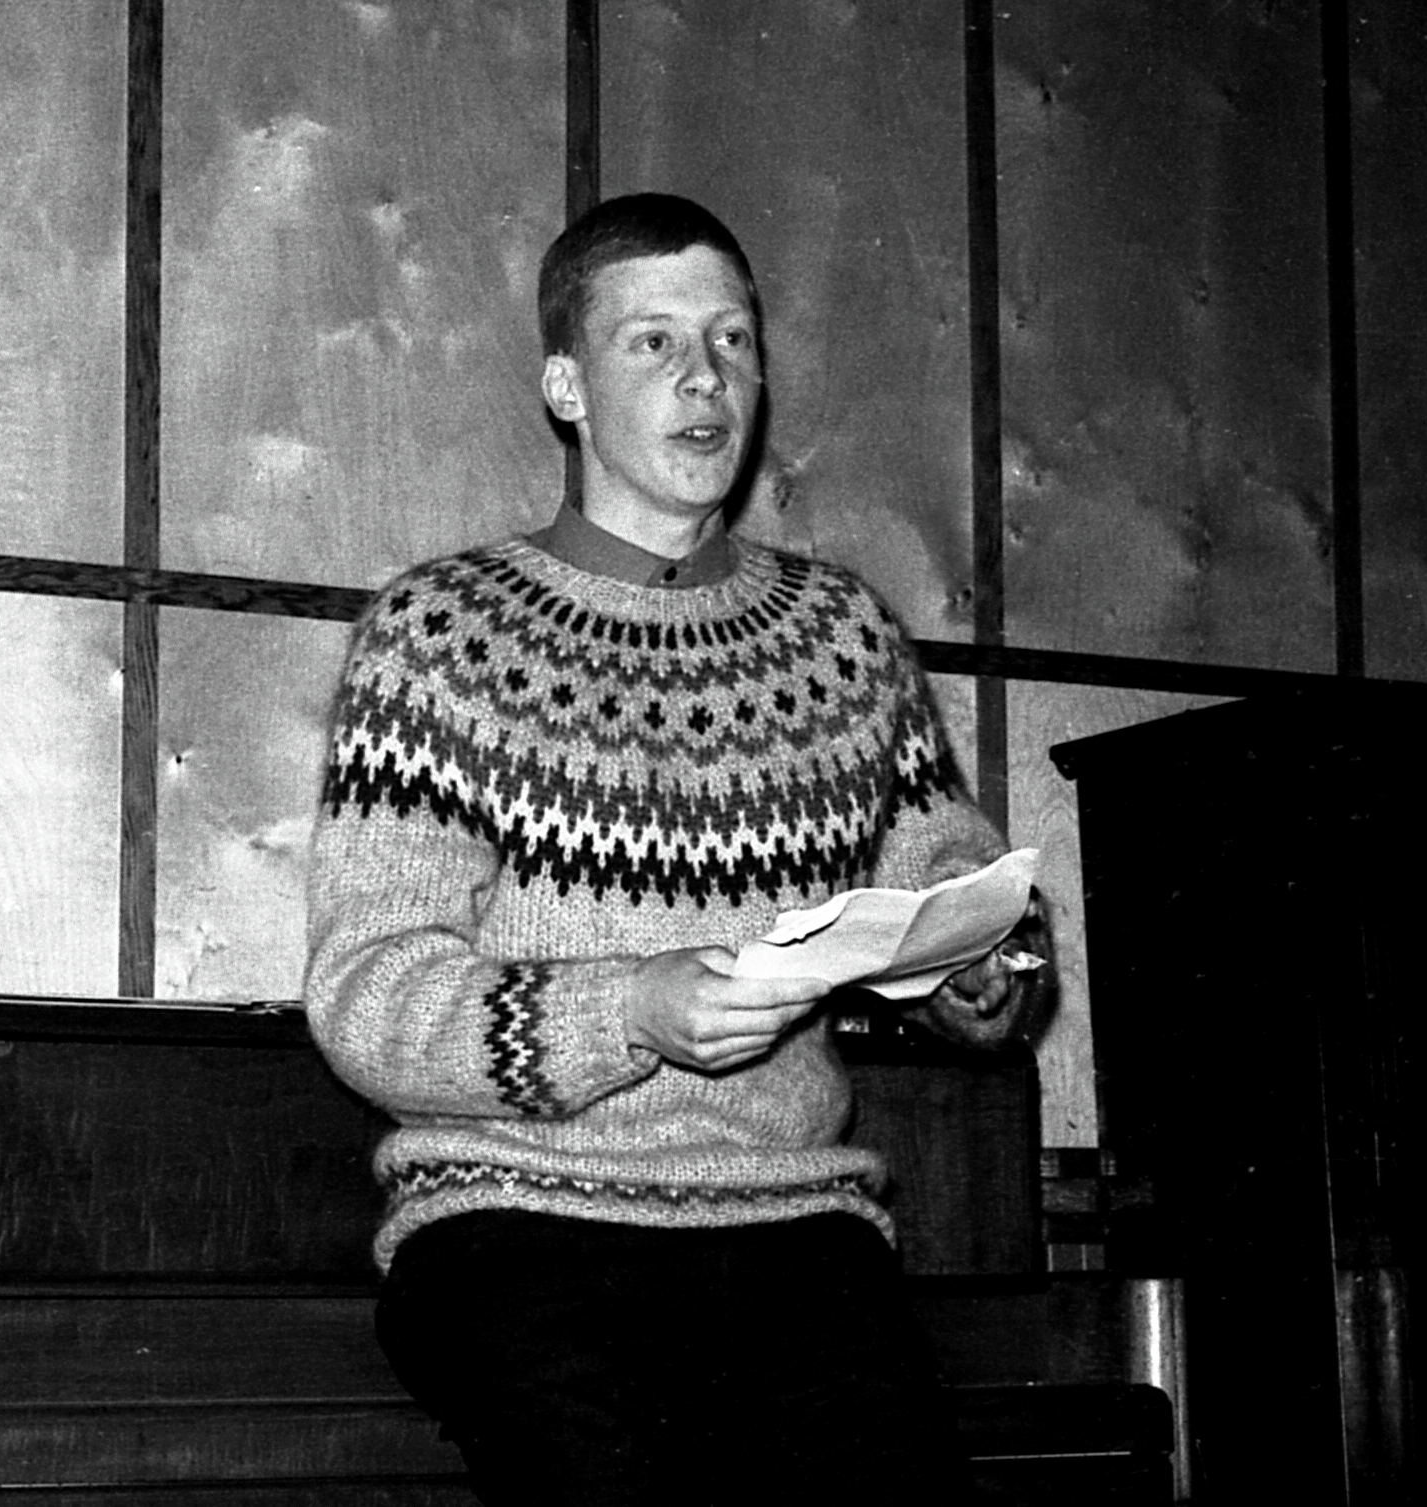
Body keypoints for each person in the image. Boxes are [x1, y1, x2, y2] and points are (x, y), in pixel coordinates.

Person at [304, 192, 1043, 1505]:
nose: (706, 378)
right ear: (566, 388)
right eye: (653, 342)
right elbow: (370, 997)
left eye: (732, 340)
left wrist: (984, 966)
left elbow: (945, 866)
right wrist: (630, 1009)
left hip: (798, 1228)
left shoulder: (845, 637)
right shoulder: (440, 637)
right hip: (517, 1222)